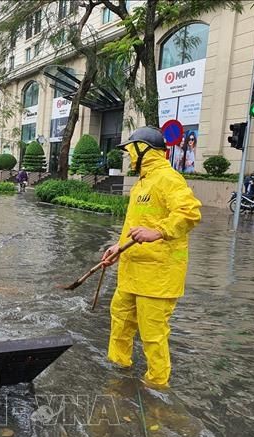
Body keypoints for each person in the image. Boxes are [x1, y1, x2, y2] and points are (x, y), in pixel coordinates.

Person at [101, 126, 202, 390]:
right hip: (131, 271)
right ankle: (117, 371)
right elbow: (137, 226)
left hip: (158, 277)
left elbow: (190, 213)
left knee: (152, 334)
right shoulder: (142, 184)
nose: (128, 155)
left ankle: (157, 387)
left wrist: (158, 232)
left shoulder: (169, 179)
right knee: (120, 321)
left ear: (143, 149)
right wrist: (117, 248)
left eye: (131, 149)